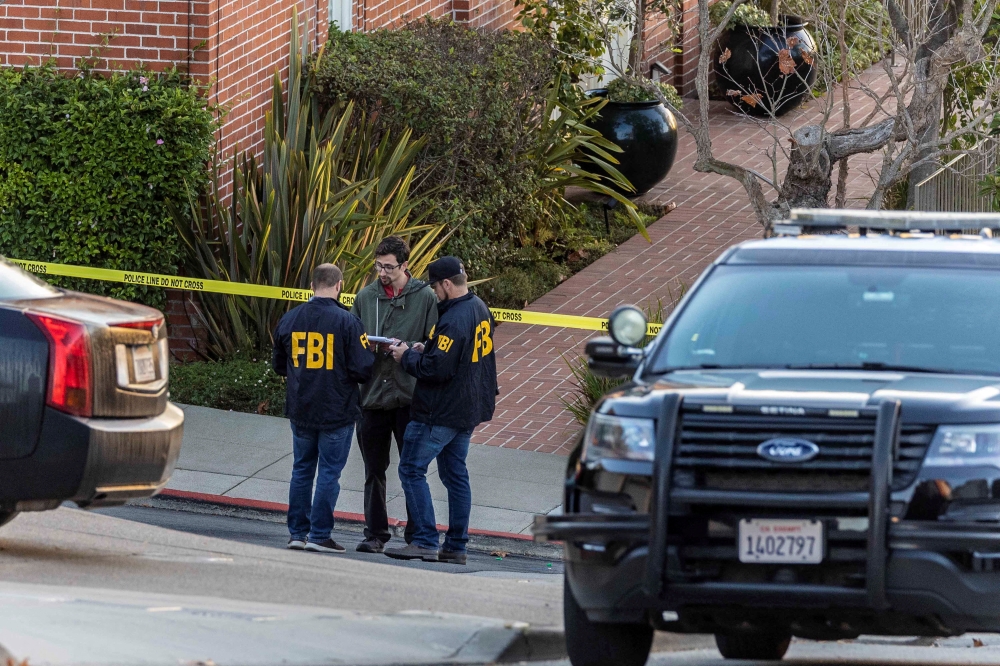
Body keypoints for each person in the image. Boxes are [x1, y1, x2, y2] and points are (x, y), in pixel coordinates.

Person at [384, 256, 498, 565]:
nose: (434, 292)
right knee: (455, 474)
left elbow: (436, 369)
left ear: (447, 284)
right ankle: (456, 546)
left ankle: (424, 541)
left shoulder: (453, 319)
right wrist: (429, 348)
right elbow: (457, 355)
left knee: (411, 469)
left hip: (441, 411)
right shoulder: (479, 307)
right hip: (468, 408)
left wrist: (407, 357)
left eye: (435, 286)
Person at [272, 263, 373, 554]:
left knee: (301, 470)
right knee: (329, 473)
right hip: (336, 409)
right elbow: (363, 369)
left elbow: (279, 365)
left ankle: (297, 533)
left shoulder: (290, 318)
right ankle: (319, 535)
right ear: (340, 285)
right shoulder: (348, 322)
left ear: (312, 285)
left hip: (301, 408)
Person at [351, 236, 438, 554]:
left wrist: (413, 349)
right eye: (378, 266)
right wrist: (365, 347)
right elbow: (351, 340)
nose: (382, 273)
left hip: (409, 396)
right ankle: (375, 534)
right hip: (372, 396)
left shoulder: (425, 297)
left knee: (412, 469)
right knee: (373, 469)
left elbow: (436, 342)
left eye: (389, 267)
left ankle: (417, 535)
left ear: (405, 265)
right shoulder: (365, 297)